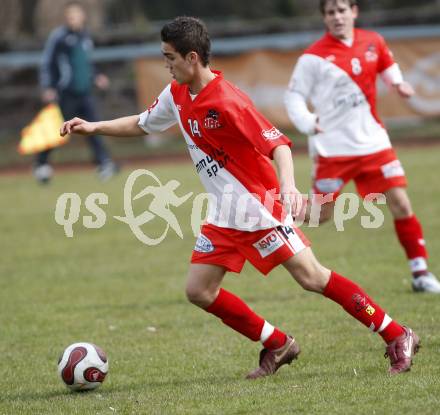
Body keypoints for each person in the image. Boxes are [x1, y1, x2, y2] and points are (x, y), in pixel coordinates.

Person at [61, 16, 420, 378]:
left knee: (313, 277)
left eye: (170, 57)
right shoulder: (177, 94)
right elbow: (142, 122)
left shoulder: (228, 100)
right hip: (224, 213)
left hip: (259, 209)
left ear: (192, 58)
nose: (165, 65)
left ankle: (396, 334)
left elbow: (278, 145)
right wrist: (94, 127)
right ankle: (278, 343)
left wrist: (289, 188)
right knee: (199, 290)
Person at [284, 0, 440, 293]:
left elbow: (386, 64)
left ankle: (420, 272)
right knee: (322, 215)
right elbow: (293, 97)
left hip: (373, 143)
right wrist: (307, 121)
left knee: (401, 203)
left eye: (342, 10)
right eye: (330, 13)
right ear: (324, 18)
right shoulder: (312, 58)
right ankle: (275, 212)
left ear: (354, 11)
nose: (337, 17)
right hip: (333, 149)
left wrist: (397, 82)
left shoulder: (373, 41)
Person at [34, 1, 118, 184]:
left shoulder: (85, 37)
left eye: (76, 15)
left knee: (93, 127)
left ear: (82, 16)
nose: (73, 19)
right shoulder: (59, 37)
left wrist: (96, 76)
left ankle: (104, 163)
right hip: (66, 93)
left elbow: (86, 63)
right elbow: (48, 63)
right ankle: (41, 164)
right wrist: (48, 87)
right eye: (70, 16)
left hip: (84, 92)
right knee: (58, 129)